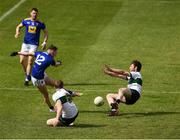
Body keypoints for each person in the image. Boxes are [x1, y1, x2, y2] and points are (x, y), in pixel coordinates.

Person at [10, 45, 61, 112]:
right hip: (37, 79)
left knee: (54, 84)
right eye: (55, 52)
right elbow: (55, 65)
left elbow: (29, 53)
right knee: (46, 95)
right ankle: (51, 108)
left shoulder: (40, 53)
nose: (56, 54)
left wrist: (17, 53)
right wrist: (60, 63)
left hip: (41, 74)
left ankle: (61, 96)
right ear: (52, 51)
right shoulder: (50, 59)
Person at [15, 8, 48, 86]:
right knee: (22, 61)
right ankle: (28, 73)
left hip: (34, 44)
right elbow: (18, 27)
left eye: (36, 13)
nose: (35, 15)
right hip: (25, 44)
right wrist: (17, 32)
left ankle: (27, 78)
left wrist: (44, 42)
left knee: (30, 61)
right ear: (30, 13)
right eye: (33, 13)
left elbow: (46, 33)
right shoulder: (26, 21)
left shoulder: (40, 23)